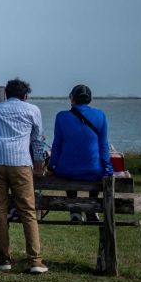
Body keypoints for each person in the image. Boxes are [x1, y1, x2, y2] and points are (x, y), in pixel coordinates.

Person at [0, 77, 48, 274]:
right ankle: (35, 261)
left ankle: (2, 257)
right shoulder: (32, 110)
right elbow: (37, 141)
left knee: (0, 211)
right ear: (25, 95)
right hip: (20, 163)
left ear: (5, 93)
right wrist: (38, 166)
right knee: (28, 212)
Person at [48, 84, 112, 222]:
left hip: (66, 171)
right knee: (97, 169)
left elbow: (57, 145)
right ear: (89, 99)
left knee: (68, 169)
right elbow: (103, 146)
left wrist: (51, 166)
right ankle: (92, 207)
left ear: (72, 99)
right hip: (93, 171)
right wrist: (108, 168)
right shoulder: (100, 115)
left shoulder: (61, 116)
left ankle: (74, 210)